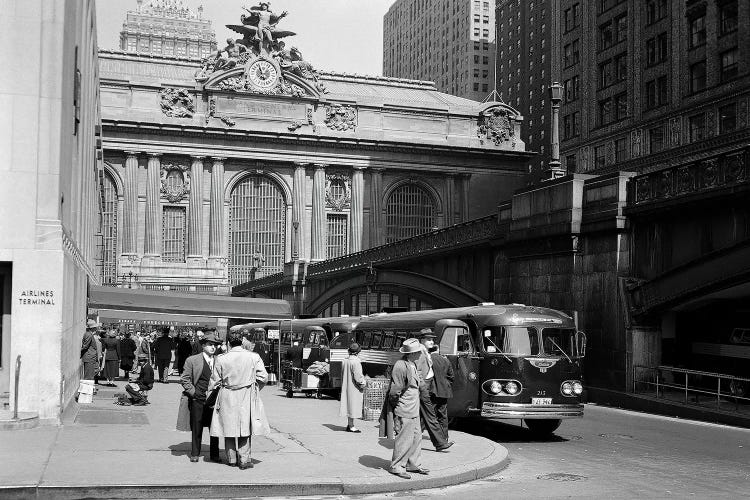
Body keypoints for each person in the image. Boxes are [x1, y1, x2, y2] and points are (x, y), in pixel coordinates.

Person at [208, 331, 269, 469]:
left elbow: (214, 381)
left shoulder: (221, 358)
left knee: (228, 426)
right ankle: (244, 459)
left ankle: (231, 459)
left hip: (227, 394)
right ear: (242, 341)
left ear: (228, 342)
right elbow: (263, 377)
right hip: (246, 394)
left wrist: (211, 396)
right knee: (245, 427)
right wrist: (255, 388)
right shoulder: (253, 357)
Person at [385, 338, 429, 480]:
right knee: (404, 439)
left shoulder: (411, 364)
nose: (420, 354)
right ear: (411, 354)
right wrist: (396, 406)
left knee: (416, 437)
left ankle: (412, 463)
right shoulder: (401, 366)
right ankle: (396, 466)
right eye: (418, 352)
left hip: (413, 408)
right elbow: (395, 391)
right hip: (405, 408)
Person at [177, 332, 222, 463]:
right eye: (210, 344)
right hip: (198, 398)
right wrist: (193, 393)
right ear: (203, 345)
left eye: (215, 345)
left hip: (215, 399)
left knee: (215, 427)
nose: (213, 347)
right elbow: (185, 379)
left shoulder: (219, 360)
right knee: (197, 426)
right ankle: (195, 453)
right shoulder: (192, 360)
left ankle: (215, 454)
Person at [415, 329, 452, 451]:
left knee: (427, 417)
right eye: (429, 339)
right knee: (429, 417)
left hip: (426, 389)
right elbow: (417, 372)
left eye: (432, 339)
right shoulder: (420, 352)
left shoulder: (424, 352)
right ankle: (440, 443)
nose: (432, 341)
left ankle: (440, 443)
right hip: (423, 389)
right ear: (422, 340)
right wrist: (422, 387)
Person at [429, 344, 454, 444]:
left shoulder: (428, 359)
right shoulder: (446, 360)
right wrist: (446, 385)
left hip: (432, 391)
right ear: (438, 350)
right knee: (443, 415)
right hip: (444, 391)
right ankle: (444, 437)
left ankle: (420, 433)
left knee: (429, 414)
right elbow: (451, 376)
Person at [339, 342, 365, 433]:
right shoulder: (356, 362)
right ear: (358, 352)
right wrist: (362, 383)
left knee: (348, 405)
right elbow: (358, 377)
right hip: (354, 387)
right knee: (353, 405)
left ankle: (349, 424)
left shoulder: (345, 360)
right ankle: (351, 426)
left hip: (346, 385)